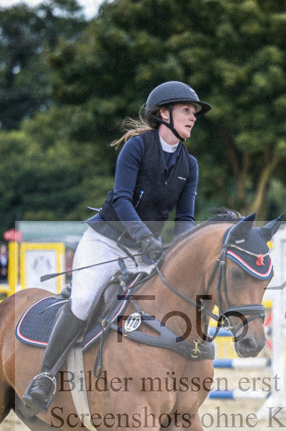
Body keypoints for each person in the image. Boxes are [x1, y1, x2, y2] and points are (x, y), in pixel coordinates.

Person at [21, 81, 211, 413]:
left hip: (144, 251)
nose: (192, 117)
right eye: (186, 110)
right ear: (163, 114)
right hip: (106, 241)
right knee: (83, 299)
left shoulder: (189, 165)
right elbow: (122, 199)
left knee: (158, 306)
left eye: (193, 112)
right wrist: (148, 242)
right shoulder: (136, 148)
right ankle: (46, 376)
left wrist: (182, 253)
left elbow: (185, 218)